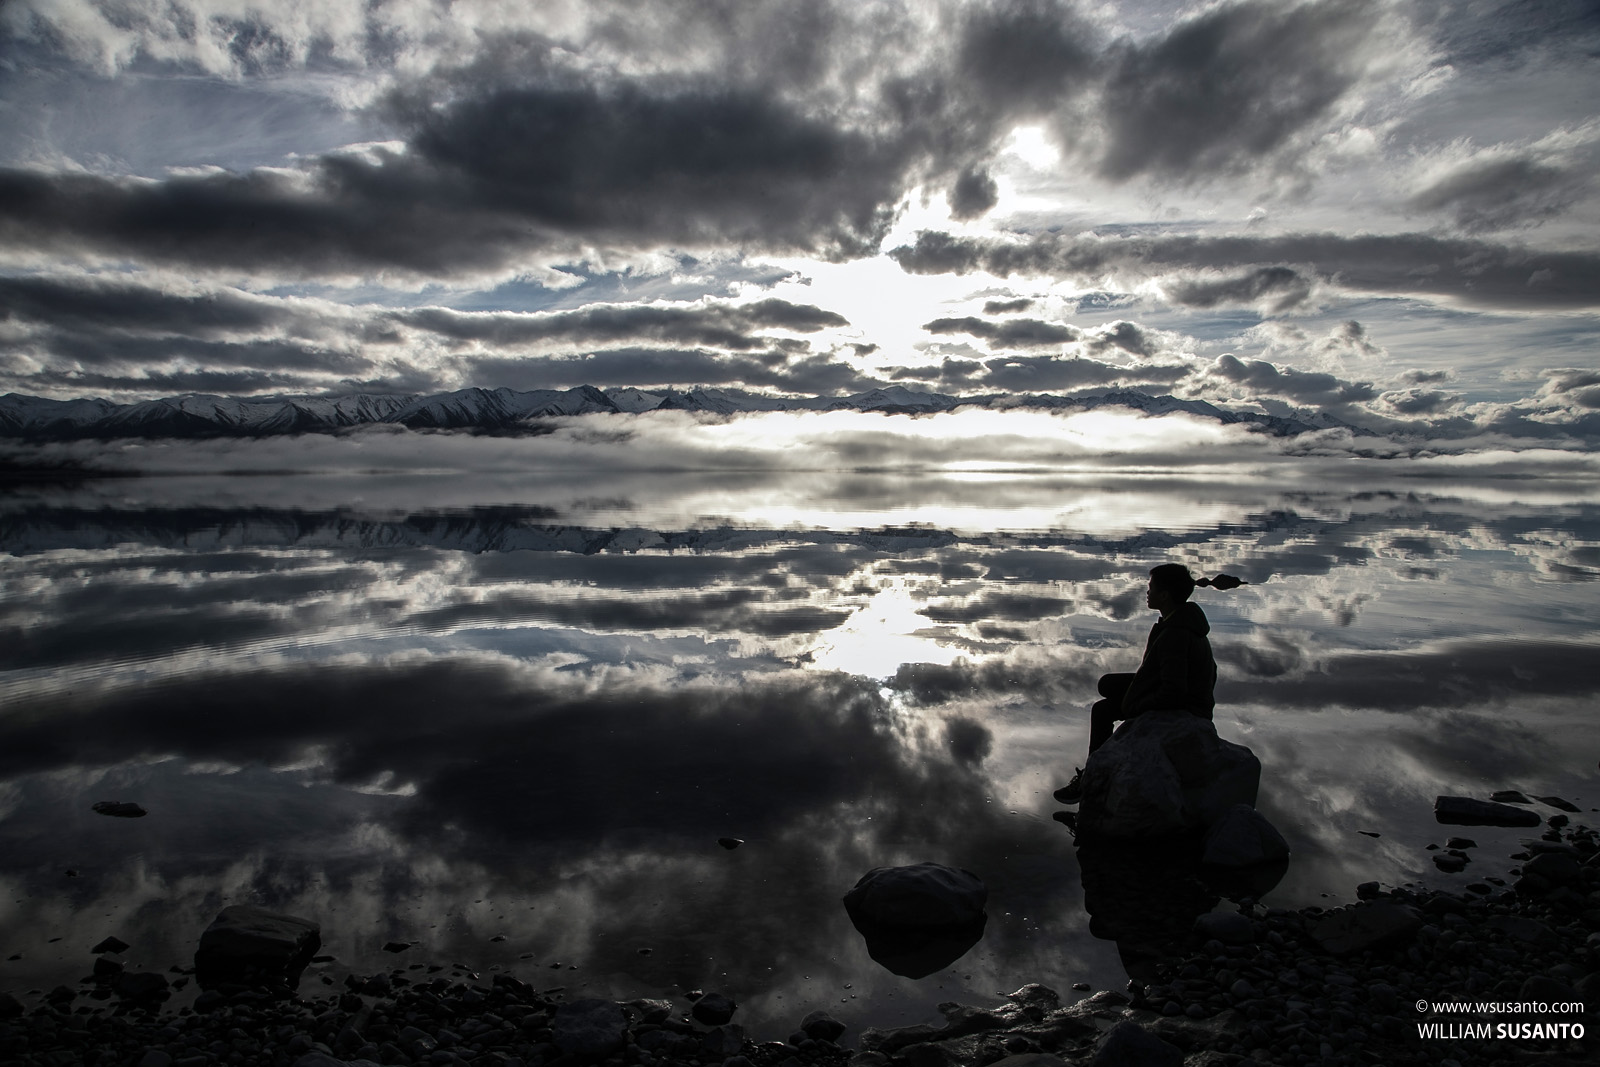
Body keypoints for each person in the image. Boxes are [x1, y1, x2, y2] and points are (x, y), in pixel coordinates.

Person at [1054, 563, 1221, 805]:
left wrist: (1136, 705)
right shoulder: (1177, 621)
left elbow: (1174, 691)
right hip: (1183, 695)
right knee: (1107, 685)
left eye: (1151, 588)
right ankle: (1093, 774)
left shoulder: (1176, 634)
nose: (1147, 592)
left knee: (1103, 710)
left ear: (1165, 595)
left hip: (1187, 707)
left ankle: (1092, 779)